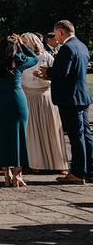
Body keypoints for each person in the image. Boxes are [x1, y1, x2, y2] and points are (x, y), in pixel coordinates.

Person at [40, 20, 93, 184]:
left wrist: (47, 72)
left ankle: (78, 172)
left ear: (61, 32)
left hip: (70, 98)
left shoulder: (67, 49)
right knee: (86, 134)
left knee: (76, 135)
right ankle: (89, 169)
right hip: (81, 95)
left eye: (56, 35)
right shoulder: (82, 46)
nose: (56, 38)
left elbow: (63, 72)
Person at [0, 34, 37, 187]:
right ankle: (17, 174)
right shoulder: (18, 60)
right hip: (15, 98)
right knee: (18, 135)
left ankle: (6, 174)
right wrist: (22, 44)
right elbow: (34, 58)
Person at [18, 33, 69, 173]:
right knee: (32, 131)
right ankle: (36, 164)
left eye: (25, 42)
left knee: (51, 129)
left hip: (45, 95)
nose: (23, 45)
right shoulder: (21, 58)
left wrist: (43, 77)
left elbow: (57, 78)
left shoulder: (46, 56)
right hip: (27, 96)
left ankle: (58, 163)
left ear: (33, 42)